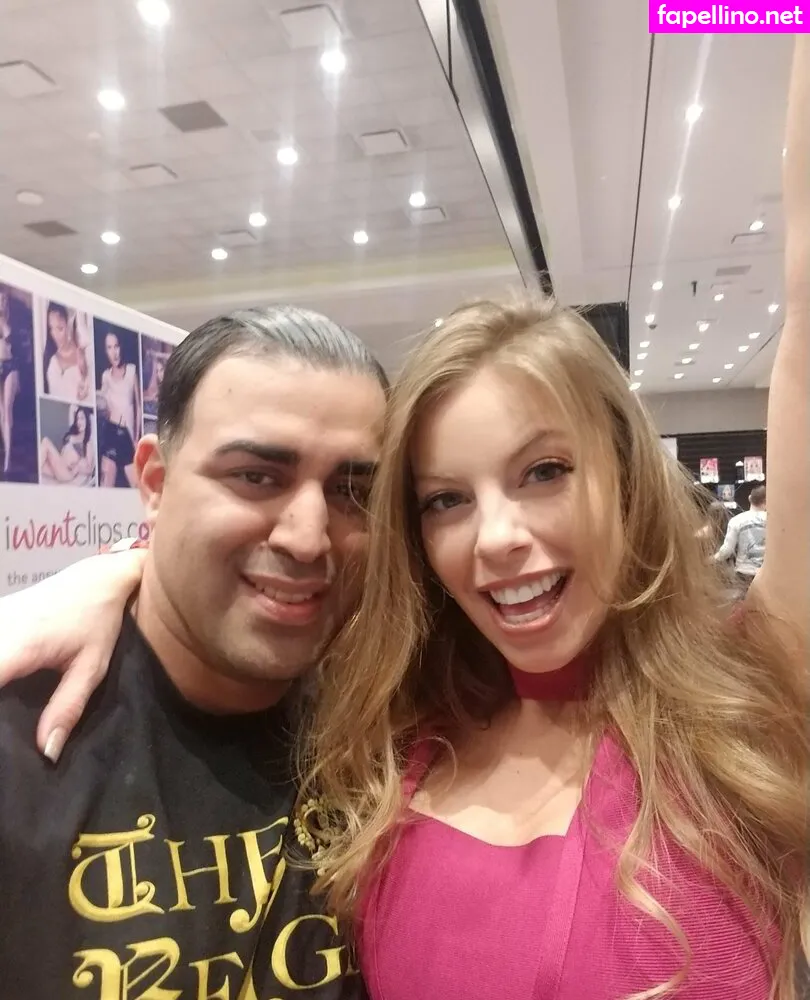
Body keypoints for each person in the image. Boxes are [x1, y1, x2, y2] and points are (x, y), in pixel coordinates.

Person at [2, 35, 809, 1000]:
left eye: (545, 471)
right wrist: (115, 575)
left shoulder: (735, 705)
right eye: (446, 499)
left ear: (628, 478)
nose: (498, 534)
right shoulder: (387, 733)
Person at [0, 306, 386, 998]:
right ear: (155, 483)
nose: (308, 537)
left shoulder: (397, 722)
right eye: (256, 477)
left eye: (352, 492)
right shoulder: (22, 732)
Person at [97, 329, 141, 488]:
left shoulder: (131, 371)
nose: (114, 352)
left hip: (128, 436)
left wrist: (136, 437)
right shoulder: (105, 376)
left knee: (138, 488)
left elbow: (138, 406)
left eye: (116, 346)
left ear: (121, 347)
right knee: (106, 489)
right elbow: (103, 405)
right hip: (111, 433)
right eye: (109, 347)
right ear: (105, 351)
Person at [714, 484, 767, 594]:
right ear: (766, 501)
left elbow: (726, 552)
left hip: (744, 575)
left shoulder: (736, 520)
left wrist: (711, 559)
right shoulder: (774, 521)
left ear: (749, 498)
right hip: (767, 574)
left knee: (744, 604)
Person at [43, 302, 91, 403]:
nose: (55, 335)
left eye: (60, 328)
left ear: (68, 324)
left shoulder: (84, 354)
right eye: (51, 329)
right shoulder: (50, 361)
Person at [39, 405, 95, 486]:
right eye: (77, 419)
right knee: (37, 464)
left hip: (67, 473)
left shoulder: (87, 442)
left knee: (46, 441)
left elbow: (89, 469)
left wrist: (77, 467)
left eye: (82, 418)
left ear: (88, 421)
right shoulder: (72, 436)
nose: (79, 422)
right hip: (60, 468)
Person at [0, 287, 20, 475]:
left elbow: (12, 342)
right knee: (1, 413)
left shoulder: (11, 320)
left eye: (4, 300)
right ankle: (6, 452)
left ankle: (8, 459)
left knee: (7, 409)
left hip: (10, 366)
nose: (2, 303)